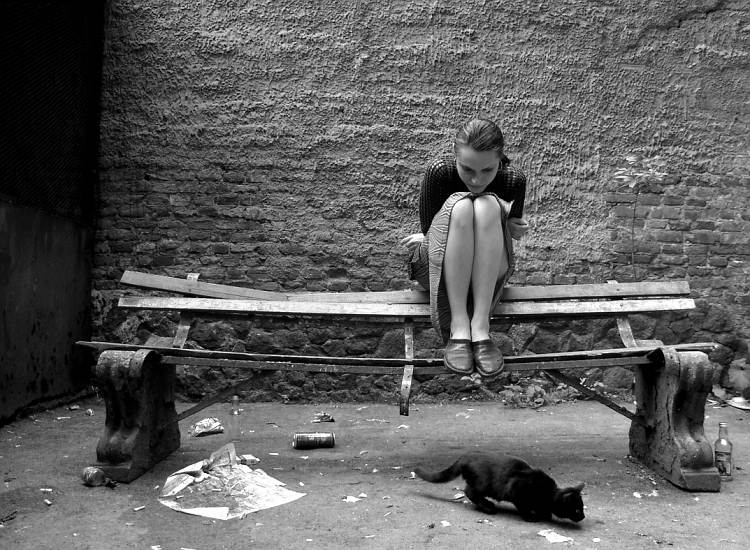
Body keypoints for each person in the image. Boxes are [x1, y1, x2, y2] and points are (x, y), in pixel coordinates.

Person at [401, 118, 528, 377]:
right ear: (455, 156)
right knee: (462, 206)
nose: (476, 179)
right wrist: (431, 234)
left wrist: (513, 226)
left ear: (500, 159)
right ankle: (459, 326)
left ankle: (480, 328)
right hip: (439, 266)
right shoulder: (440, 171)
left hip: (488, 271)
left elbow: (509, 234)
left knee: (486, 204)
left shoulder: (513, 179)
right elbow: (429, 230)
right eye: (467, 168)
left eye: (487, 170)